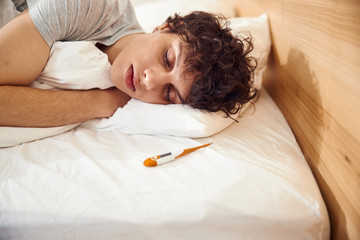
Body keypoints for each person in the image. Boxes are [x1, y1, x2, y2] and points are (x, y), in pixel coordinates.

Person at [0, 0, 257, 128]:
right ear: (164, 27)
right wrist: (102, 103)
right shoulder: (90, 7)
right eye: (167, 58)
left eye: (169, 93)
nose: (150, 81)